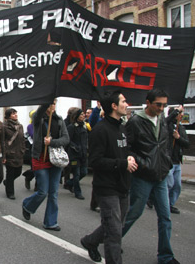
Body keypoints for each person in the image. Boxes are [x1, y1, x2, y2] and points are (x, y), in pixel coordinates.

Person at [122, 89, 180, 264]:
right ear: (148, 103)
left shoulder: (162, 119)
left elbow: (164, 143)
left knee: (165, 216)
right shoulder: (135, 122)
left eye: (164, 105)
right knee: (134, 212)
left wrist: (166, 161)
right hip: (143, 176)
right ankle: (111, 238)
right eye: (158, 104)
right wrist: (142, 163)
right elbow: (127, 147)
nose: (162, 108)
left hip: (161, 175)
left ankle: (165, 256)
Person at [80, 91, 137, 263]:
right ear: (114, 106)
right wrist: (121, 163)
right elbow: (95, 161)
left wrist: (130, 157)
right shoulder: (100, 130)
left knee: (115, 226)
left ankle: (90, 241)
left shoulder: (122, 127)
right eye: (124, 101)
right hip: (106, 188)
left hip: (123, 185)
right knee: (114, 233)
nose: (127, 105)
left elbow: (125, 151)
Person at [22, 100, 69, 231]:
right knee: (43, 191)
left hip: (55, 160)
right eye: (49, 103)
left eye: (54, 103)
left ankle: (50, 222)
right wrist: (47, 97)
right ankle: (27, 205)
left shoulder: (59, 120)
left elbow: (66, 139)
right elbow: (39, 112)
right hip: (40, 159)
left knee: (53, 193)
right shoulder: (38, 119)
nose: (52, 106)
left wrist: (52, 142)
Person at [166, 106, 189, 214]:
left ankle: (170, 204)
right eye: (180, 113)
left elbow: (187, 144)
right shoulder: (167, 126)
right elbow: (166, 121)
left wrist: (178, 138)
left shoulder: (181, 128)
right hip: (168, 160)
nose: (181, 115)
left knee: (177, 185)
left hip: (177, 161)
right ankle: (154, 198)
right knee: (169, 183)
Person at [66, 108, 88, 200]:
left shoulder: (84, 126)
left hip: (83, 154)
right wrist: (75, 147)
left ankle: (69, 183)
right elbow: (68, 140)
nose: (83, 116)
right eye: (81, 114)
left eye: (83, 114)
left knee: (84, 172)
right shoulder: (71, 127)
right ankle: (77, 192)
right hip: (75, 155)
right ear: (77, 116)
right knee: (77, 174)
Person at [3, 108, 25, 200]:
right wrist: (4, 154)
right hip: (10, 153)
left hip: (19, 153)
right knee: (10, 173)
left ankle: (7, 182)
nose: (15, 115)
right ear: (8, 116)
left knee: (18, 172)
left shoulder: (20, 126)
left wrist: (23, 149)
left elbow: (22, 138)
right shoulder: (4, 127)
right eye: (13, 114)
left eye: (15, 113)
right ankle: (10, 192)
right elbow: (3, 141)